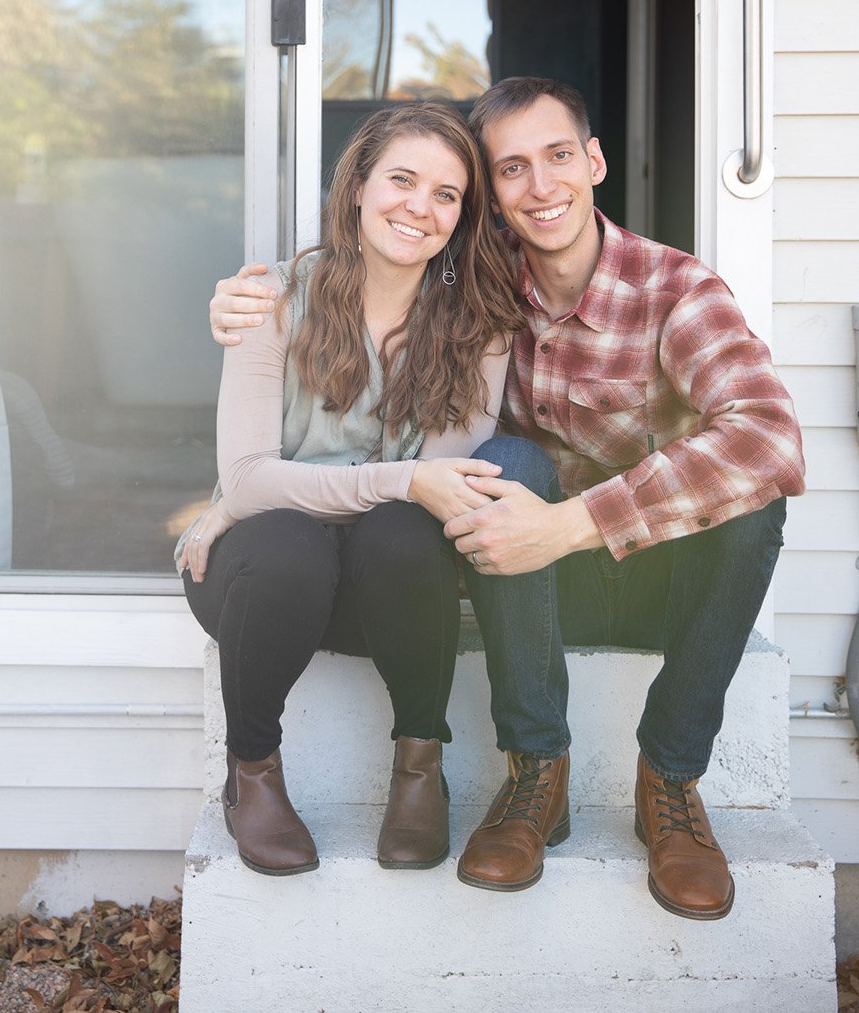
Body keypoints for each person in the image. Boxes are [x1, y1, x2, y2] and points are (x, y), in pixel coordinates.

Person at [209, 76, 805, 920]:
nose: (542, 186)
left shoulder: (677, 291)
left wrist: (571, 526)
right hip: (532, 596)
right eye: (512, 169)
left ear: (594, 160)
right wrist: (237, 483)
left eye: (559, 156)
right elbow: (402, 436)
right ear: (492, 199)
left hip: (647, 585)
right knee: (509, 460)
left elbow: (771, 440)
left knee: (752, 501)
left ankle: (671, 783)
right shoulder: (485, 300)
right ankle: (537, 776)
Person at [177, 101, 525, 878]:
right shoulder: (271, 299)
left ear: (462, 219)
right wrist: (249, 497)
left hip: (389, 594)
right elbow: (254, 479)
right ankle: (253, 772)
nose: (419, 208)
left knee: (403, 533)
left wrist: (256, 492)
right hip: (262, 587)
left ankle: (418, 771)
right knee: (287, 542)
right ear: (359, 186)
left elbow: (442, 493)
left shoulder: (480, 328)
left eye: (446, 195)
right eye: (402, 179)